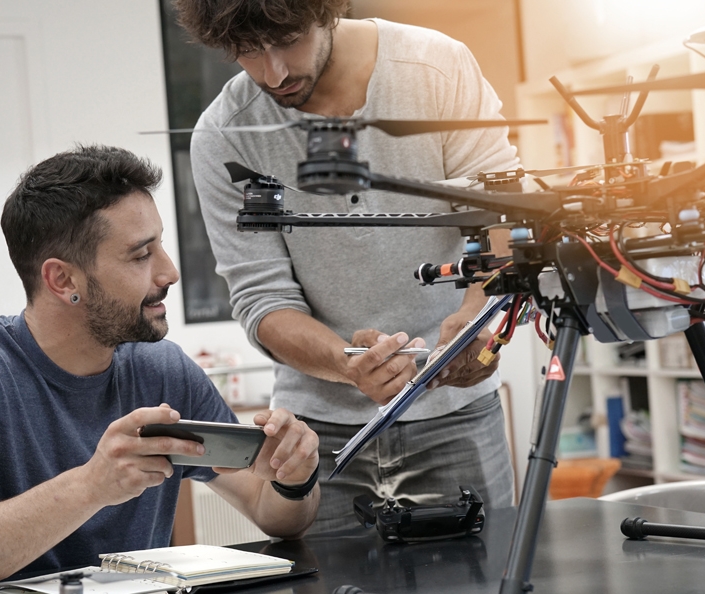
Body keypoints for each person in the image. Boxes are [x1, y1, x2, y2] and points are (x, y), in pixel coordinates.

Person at [0, 145, 320, 593]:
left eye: (160, 246)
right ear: (63, 280)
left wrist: (293, 479)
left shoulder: (163, 370)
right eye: (141, 256)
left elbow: (269, 511)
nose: (170, 272)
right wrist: (90, 486)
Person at [173, 0, 519, 532]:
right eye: (246, 52)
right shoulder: (224, 135)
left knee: (484, 573)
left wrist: (478, 319)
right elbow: (262, 300)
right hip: (315, 437)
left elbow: (501, 212)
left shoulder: (436, 68)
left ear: (325, 10)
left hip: (454, 412)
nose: (274, 73)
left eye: (286, 40)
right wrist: (348, 365)